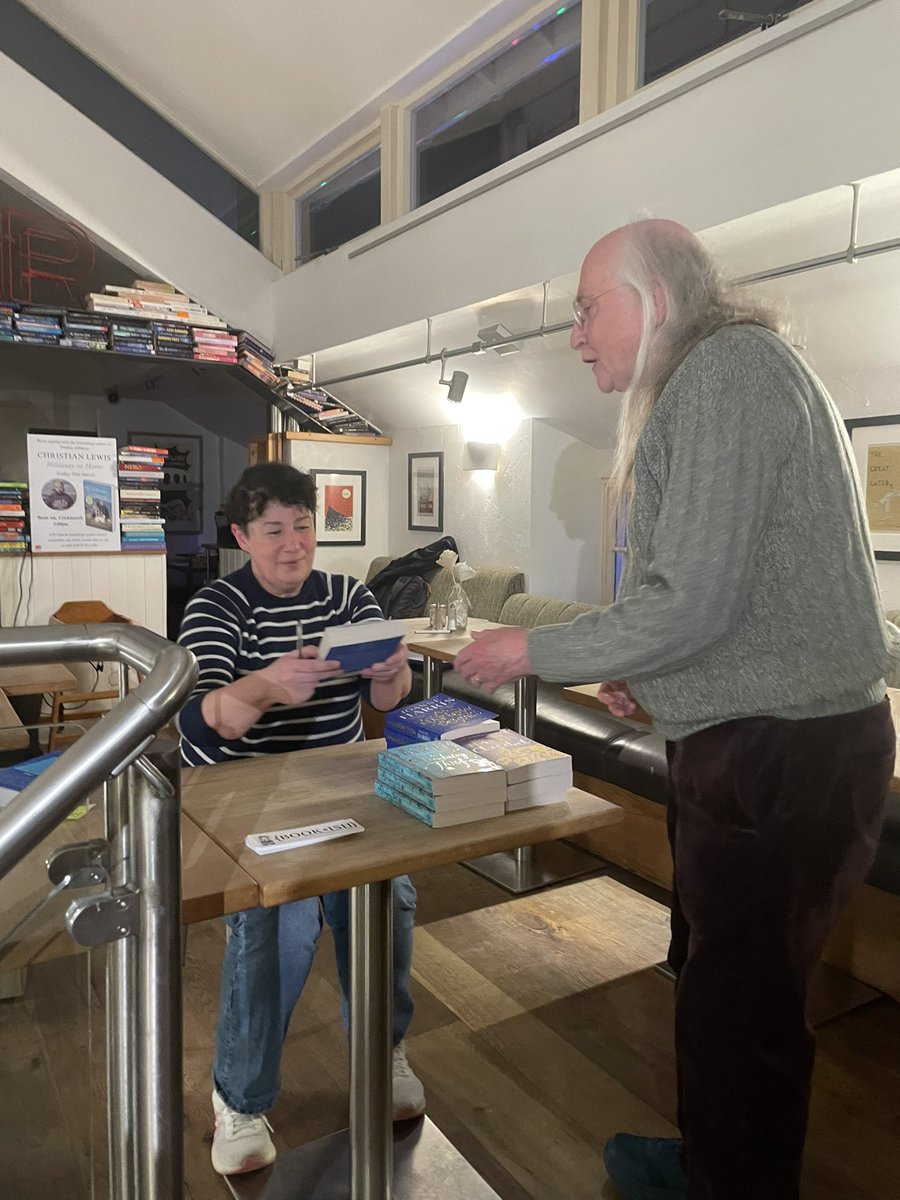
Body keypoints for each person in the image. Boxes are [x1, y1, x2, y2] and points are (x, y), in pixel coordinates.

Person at [454, 219, 897, 1200]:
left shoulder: (726, 374)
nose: (576, 336)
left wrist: (534, 648)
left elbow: (693, 599)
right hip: (772, 747)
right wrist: (650, 679)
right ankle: (711, 1165)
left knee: (741, 1012)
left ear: (653, 298)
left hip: (779, 758)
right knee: (726, 993)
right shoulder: (729, 375)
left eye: (586, 309)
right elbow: (736, 601)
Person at [177, 462, 426, 1177]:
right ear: (241, 536)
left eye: (304, 527)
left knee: (388, 901)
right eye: (273, 531)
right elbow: (203, 720)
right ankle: (240, 1098)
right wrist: (265, 684)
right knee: (273, 931)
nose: (293, 545)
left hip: (342, 786)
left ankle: (383, 1050)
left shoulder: (348, 596)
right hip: (250, 797)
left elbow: (391, 695)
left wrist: (391, 672)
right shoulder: (217, 606)